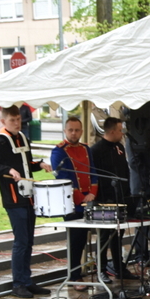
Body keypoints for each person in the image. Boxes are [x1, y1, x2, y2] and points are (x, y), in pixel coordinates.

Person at [0, 104, 52, 298]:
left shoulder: (23, 137)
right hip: (14, 198)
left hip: (29, 196)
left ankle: (27, 280)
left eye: (18, 119)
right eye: (12, 120)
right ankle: (18, 283)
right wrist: (8, 170)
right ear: (3, 121)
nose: (17, 123)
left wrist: (40, 164)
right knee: (21, 241)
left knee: (29, 241)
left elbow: (27, 163)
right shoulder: (1, 141)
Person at [51, 116, 95, 290]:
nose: (74, 133)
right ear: (65, 130)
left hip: (88, 199)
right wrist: (80, 197)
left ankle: (80, 273)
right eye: (71, 130)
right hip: (71, 202)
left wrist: (92, 192)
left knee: (83, 239)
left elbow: (93, 172)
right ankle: (74, 275)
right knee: (75, 240)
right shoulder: (59, 152)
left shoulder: (86, 149)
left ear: (81, 131)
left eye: (77, 130)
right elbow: (64, 178)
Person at [90, 117, 132, 280]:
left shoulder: (119, 147)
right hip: (104, 199)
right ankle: (101, 268)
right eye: (120, 130)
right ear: (112, 131)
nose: (122, 133)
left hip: (120, 197)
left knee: (118, 235)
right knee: (104, 236)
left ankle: (118, 266)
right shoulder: (97, 150)